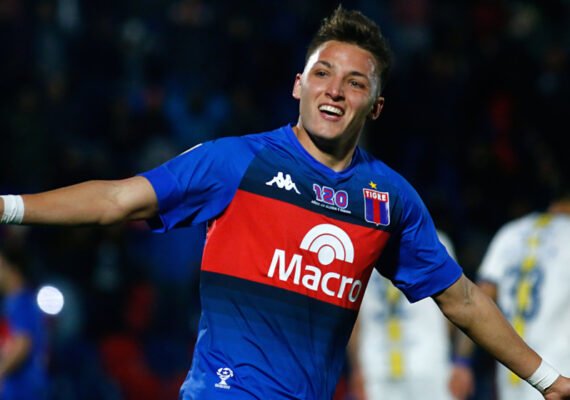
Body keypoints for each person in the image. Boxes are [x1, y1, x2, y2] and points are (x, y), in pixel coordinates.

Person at [1, 6, 570, 400]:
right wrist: (7, 207)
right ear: (299, 84)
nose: (334, 90)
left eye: (355, 83)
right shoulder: (234, 162)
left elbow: (463, 299)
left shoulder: (388, 200)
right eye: (322, 73)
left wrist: (547, 380)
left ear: (374, 107)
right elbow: (115, 199)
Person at [450, 195, 570, 400]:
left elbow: (477, 298)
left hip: (515, 370)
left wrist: (462, 361)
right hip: (561, 374)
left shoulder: (511, 232)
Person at [348, 231, 457, 400]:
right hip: (379, 369)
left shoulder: (359, 243)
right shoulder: (434, 239)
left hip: (426, 366)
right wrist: (356, 368)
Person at [0, 241, 48, 399]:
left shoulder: (21, 302)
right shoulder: (15, 301)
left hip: (23, 391)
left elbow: (22, 345)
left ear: (13, 269)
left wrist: (1, 370)